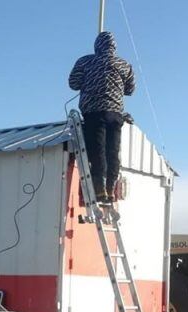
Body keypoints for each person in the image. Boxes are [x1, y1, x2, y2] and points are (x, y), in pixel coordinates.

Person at [69, 31, 135, 203]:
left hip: (94, 113)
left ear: (96, 46)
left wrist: (90, 81)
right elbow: (130, 90)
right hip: (115, 114)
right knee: (112, 152)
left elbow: (73, 84)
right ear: (114, 46)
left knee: (97, 151)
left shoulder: (85, 61)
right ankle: (110, 189)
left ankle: (99, 189)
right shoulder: (124, 65)